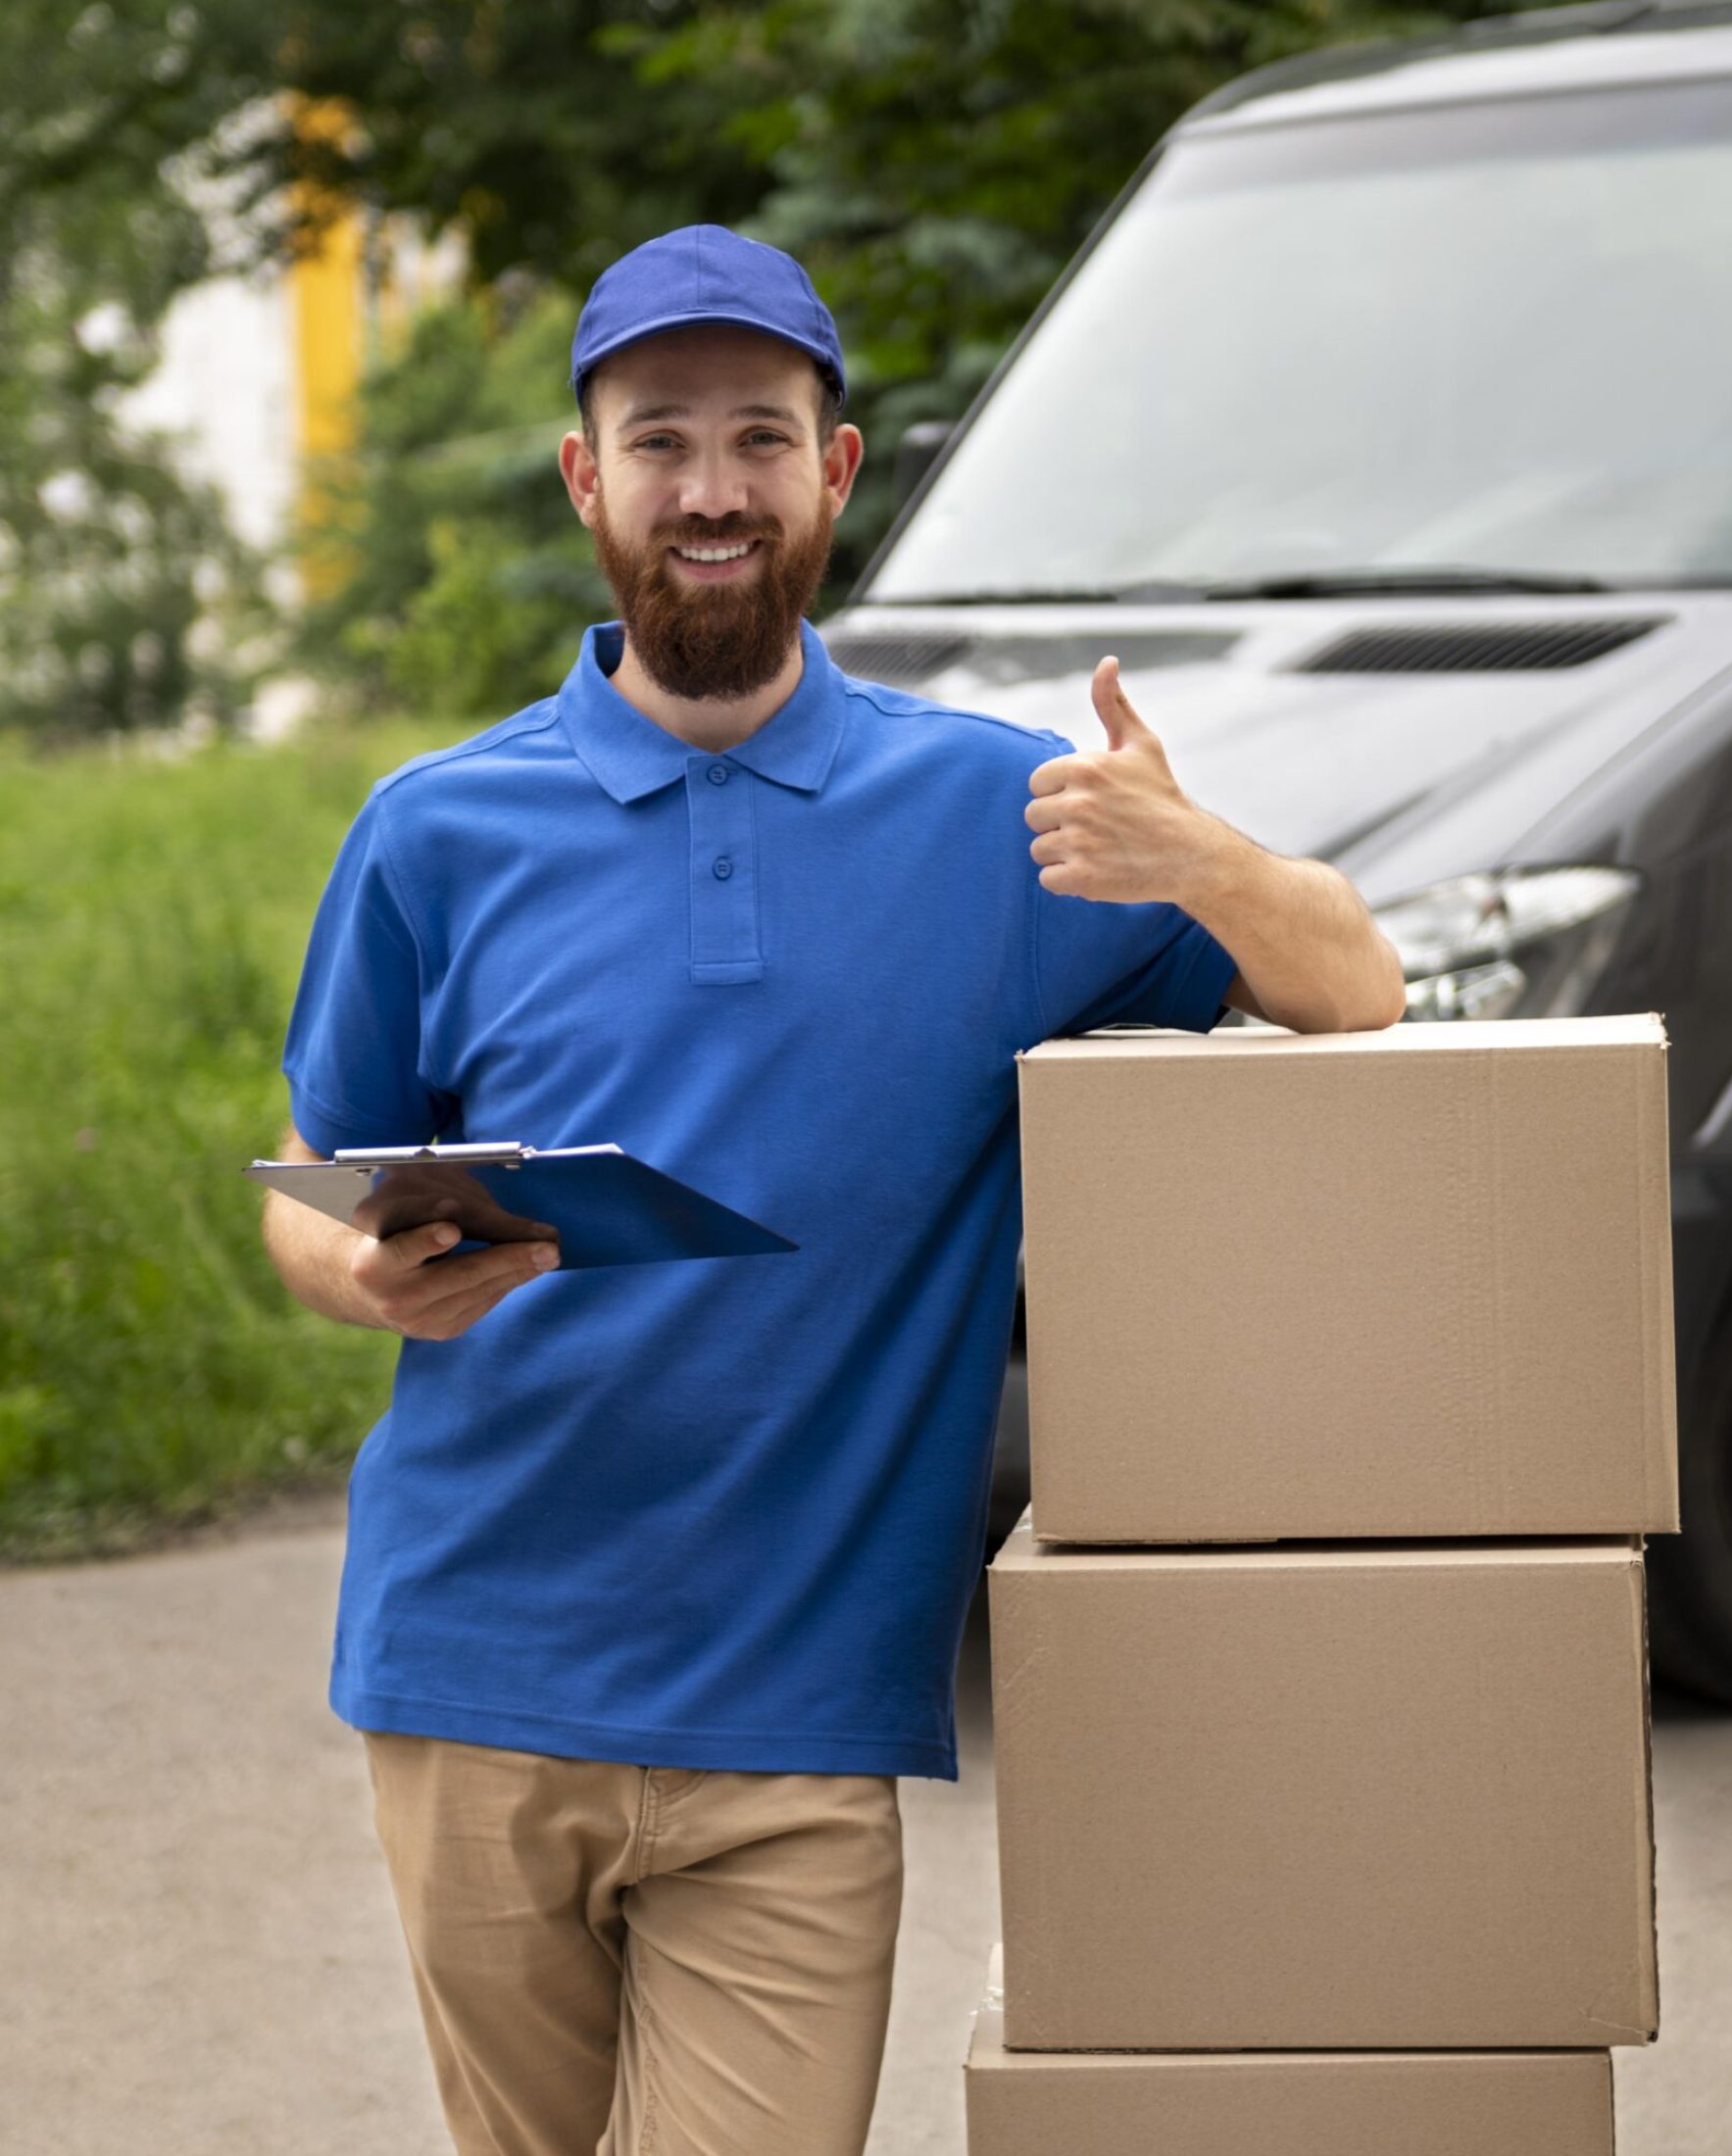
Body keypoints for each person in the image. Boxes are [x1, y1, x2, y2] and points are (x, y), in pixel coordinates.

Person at [261, 224, 1406, 2156]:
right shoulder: (433, 830)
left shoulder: (996, 817)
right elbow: (311, 1192)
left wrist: (1196, 856)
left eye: (757, 439)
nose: (709, 488)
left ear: (835, 472)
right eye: (659, 440)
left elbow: (1354, 986)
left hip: (794, 1718)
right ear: (585, 477)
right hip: (471, 1678)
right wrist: (367, 1278)